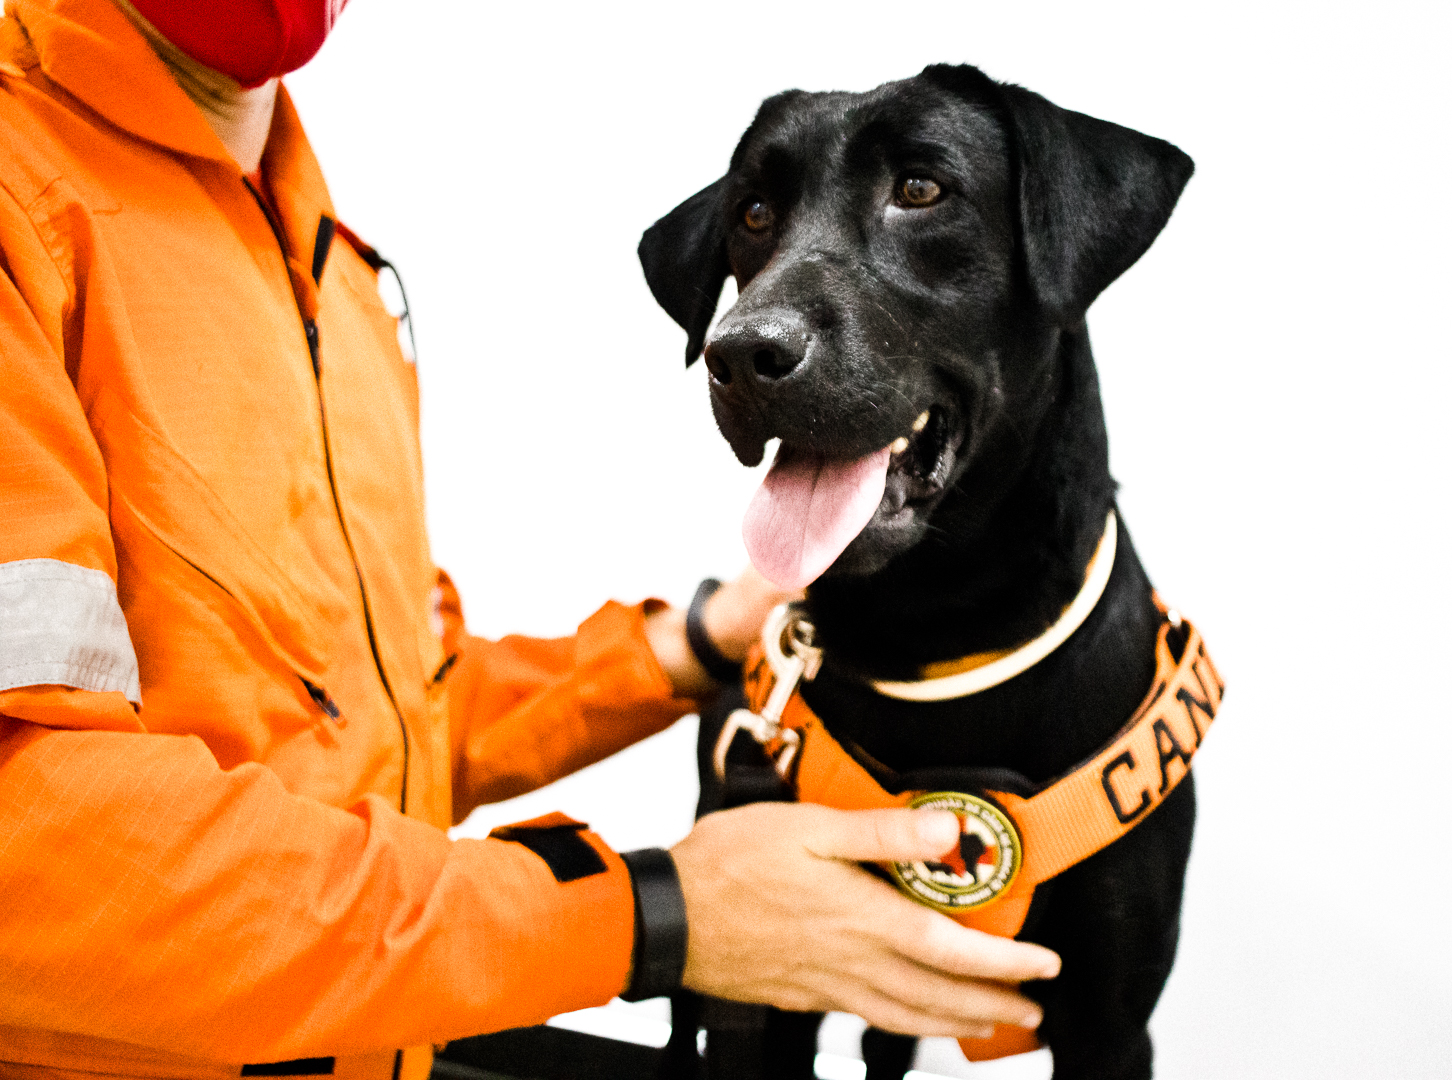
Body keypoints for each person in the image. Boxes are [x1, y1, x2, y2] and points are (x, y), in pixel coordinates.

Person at [0, 1, 1061, 1078]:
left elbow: (389, 727)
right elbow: (24, 855)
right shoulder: (18, 211)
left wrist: (689, 644)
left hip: (371, 1037)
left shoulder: (332, 268)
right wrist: (656, 916)